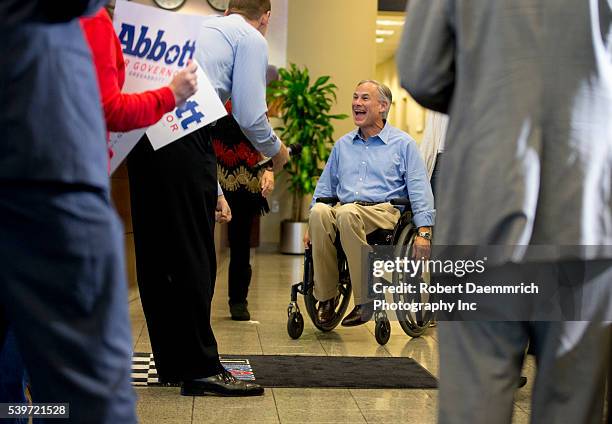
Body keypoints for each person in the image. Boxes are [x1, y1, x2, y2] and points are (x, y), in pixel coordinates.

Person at [398, 1, 612, 423]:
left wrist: (489, 97)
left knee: (473, 405)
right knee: (573, 407)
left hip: (486, 198)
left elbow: (423, 71)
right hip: (585, 202)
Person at [127, 0, 289, 397]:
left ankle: (172, 363)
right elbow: (250, 114)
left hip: (143, 133)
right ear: (265, 16)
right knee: (194, 254)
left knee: (157, 251)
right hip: (183, 137)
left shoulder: (201, 29)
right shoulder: (249, 36)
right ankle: (199, 368)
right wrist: (277, 151)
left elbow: (185, 116)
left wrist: (213, 189)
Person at [0, 1, 137, 422]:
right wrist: (172, 94)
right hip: (43, 177)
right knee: (87, 396)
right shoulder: (85, 24)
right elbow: (112, 107)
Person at [305, 80, 435, 327]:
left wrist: (424, 231)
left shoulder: (403, 144)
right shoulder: (343, 145)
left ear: (383, 107)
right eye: (355, 98)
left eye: (365, 98)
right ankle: (326, 298)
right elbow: (324, 188)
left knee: (347, 213)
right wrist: (312, 221)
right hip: (346, 210)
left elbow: (420, 189)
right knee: (321, 211)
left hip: (383, 212)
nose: (357, 103)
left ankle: (366, 300)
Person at [212, 99, 275, 321]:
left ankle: (238, 301)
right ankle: (197, 299)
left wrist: (269, 168)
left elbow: (264, 134)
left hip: (245, 179)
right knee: (199, 241)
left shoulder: (251, 93)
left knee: (240, 245)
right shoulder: (211, 88)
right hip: (211, 174)